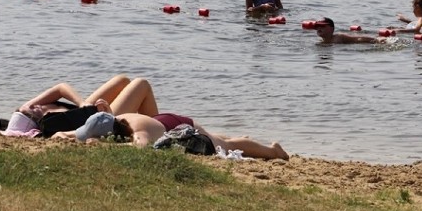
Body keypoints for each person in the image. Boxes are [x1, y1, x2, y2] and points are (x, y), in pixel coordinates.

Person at [50, 77, 289, 160]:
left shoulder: (137, 132)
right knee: (220, 140)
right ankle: (239, 138)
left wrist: (100, 146)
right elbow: (80, 132)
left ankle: (273, 151)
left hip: (180, 124)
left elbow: (140, 149)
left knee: (225, 147)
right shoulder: (117, 122)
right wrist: (65, 135)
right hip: (161, 121)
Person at [314, 17, 386, 44]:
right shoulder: (320, 42)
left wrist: (376, 40)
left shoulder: (338, 37)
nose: (319, 28)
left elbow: (358, 39)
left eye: (322, 26)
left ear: (331, 28)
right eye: (317, 26)